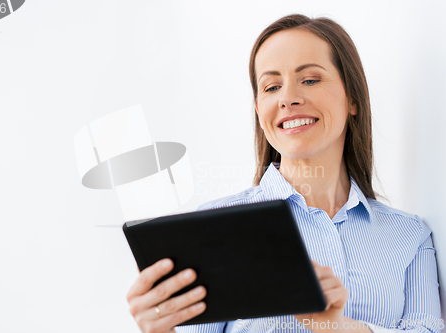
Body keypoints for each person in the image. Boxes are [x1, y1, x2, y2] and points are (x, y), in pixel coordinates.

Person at [125, 14, 442, 333]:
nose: (288, 98)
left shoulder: (408, 236)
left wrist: (341, 329)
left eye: (310, 79)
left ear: (353, 99)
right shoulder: (216, 227)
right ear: (259, 109)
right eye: (272, 86)